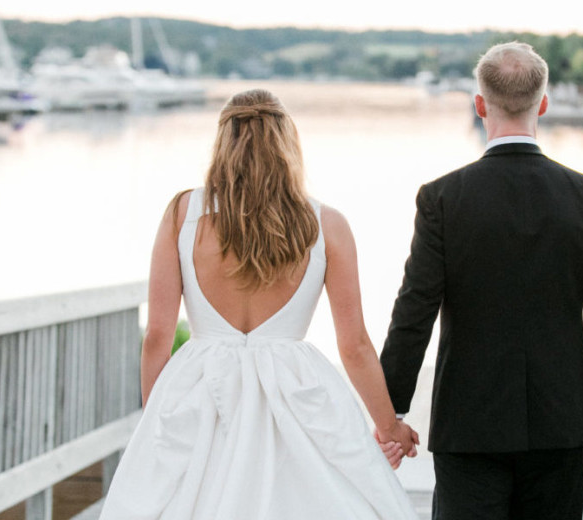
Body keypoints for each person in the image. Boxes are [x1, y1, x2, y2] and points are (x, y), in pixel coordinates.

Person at [99, 89, 420, 520]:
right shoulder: (327, 225)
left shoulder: (183, 214)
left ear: (222, 143)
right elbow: (355, 346)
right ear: (288, 142)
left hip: (201, 386)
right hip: (295, 389)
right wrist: (389, 427)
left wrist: (156, 423)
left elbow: (158, 336)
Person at [378, 42, 583, 520]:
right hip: (561, 419)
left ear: (480, 105)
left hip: (469, 422)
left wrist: (391, 412)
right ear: (543, 104)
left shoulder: (442, 198)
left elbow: (413, 312)